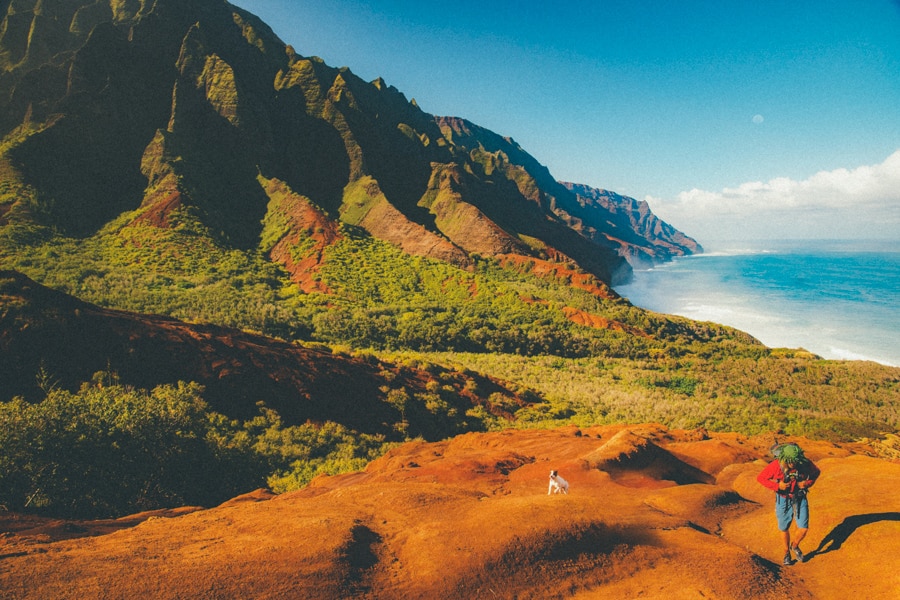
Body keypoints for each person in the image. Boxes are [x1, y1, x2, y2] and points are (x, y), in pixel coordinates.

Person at [757, 443, 820, 565]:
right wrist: (777, 486)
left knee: (803, 528)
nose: (793, 464)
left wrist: (807, 483)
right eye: (790, 461)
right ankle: (786, 553)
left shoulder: (804, 463)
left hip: (800, 497)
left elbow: (816, 472)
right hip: (783, 499)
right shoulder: (776, 466)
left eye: (795, 461)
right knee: (784, 528)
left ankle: (794, 545)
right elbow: (761, 478)